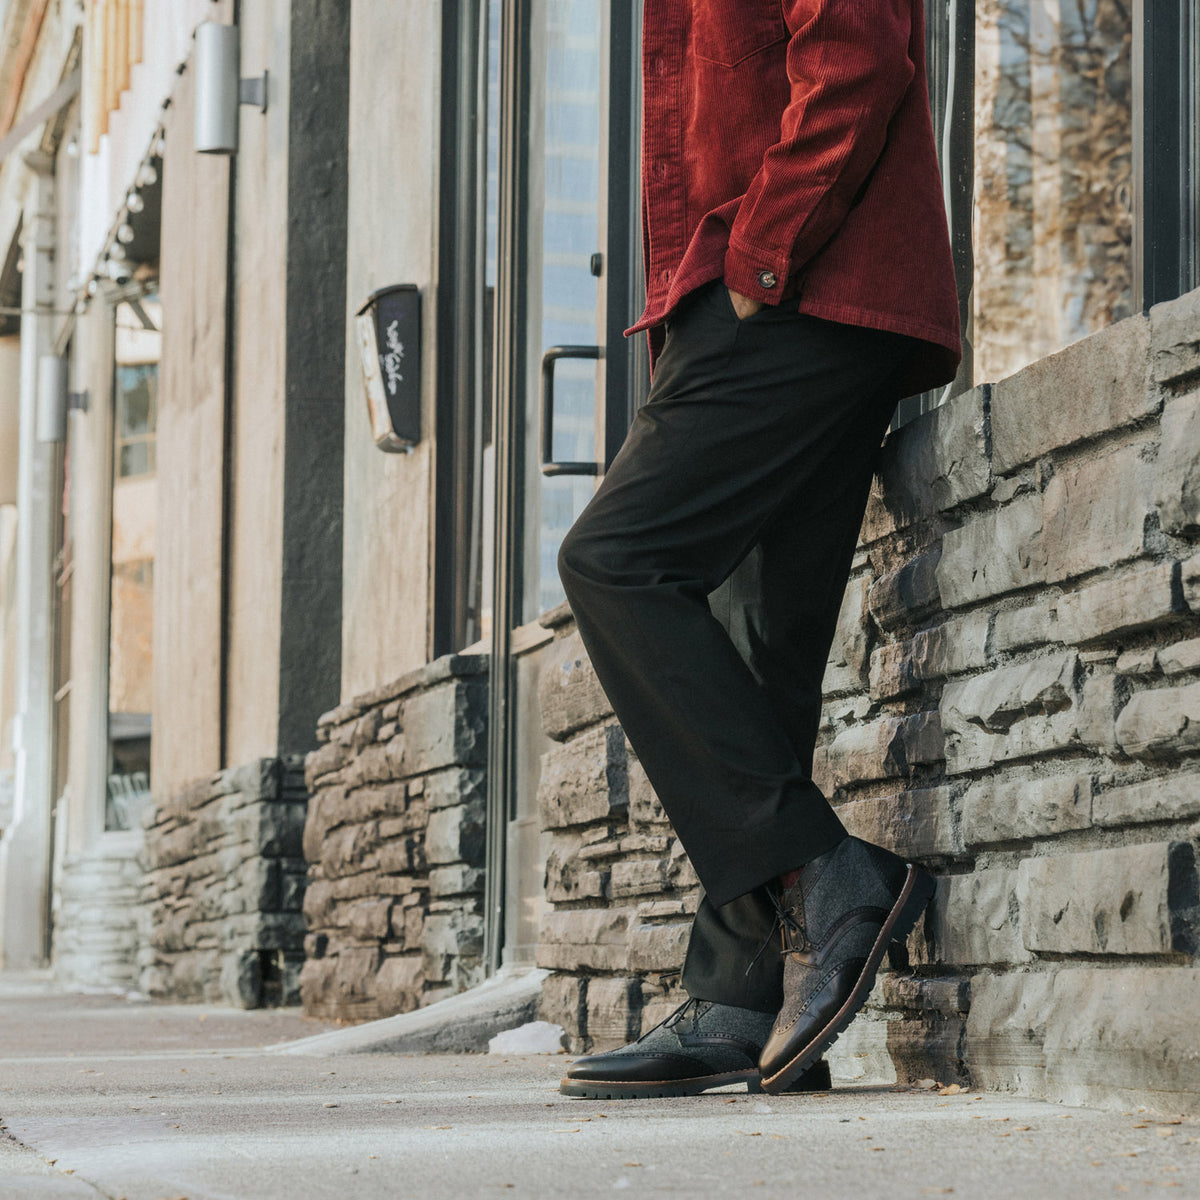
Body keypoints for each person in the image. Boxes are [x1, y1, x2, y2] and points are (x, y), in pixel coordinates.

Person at [555, 0, 961, 1099]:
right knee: (752, 643)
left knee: (615, 559)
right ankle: (739, 994)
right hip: (768, 292)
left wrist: (761, 255)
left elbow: (855, 58)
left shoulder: (778, 264)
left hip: (805, 285)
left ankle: (832, 877)